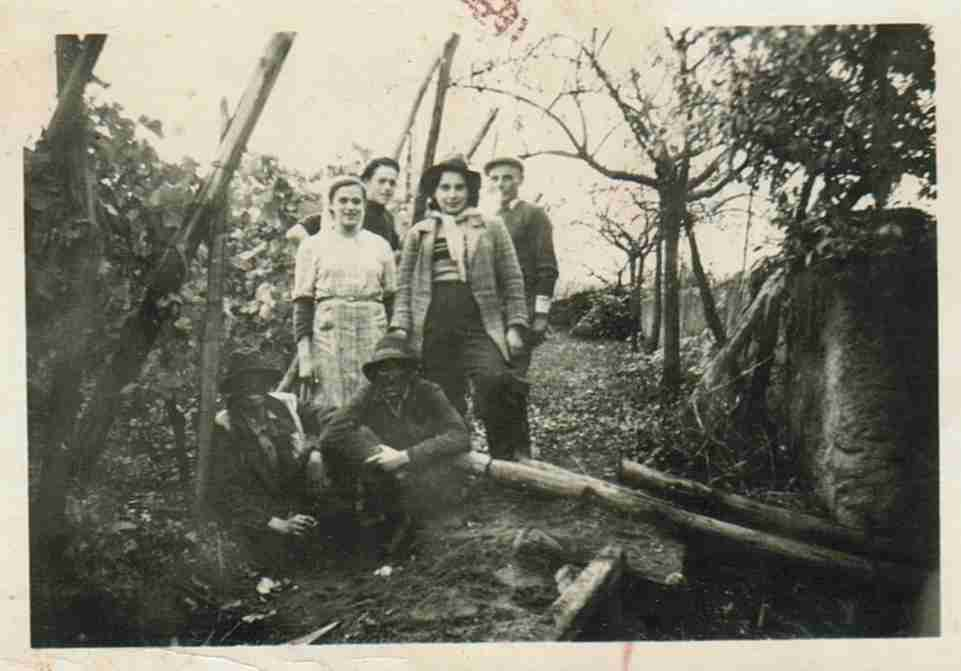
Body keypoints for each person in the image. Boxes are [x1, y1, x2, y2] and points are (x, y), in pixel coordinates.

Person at [390, 153, 531, 461]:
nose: (452, 195)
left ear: (469, 191)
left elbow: (512, 278)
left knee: (494, 380)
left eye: (458, 188)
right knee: (442, 393)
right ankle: (453, 462)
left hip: (480, 322)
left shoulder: (491, 227)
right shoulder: (420, 232)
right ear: (435, 193)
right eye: (445, 188)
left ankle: (505, 461)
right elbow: (404, 286)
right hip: (433, 323)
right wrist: (400, 326)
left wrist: (516, 326)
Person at [318, 332, 471, 548]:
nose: (390, 377)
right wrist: (376, 453)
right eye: (383, 369)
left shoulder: (428, 391)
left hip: (429, 468)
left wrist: (406, 457)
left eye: (396, 368)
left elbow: (460, 435)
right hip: (390, 474)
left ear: (409, 371)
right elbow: (332, 435)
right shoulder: (369, 393)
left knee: (435, 520)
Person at [211, 350, 328, 567]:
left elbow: (329, 419)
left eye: (258, 382)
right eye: (243, 383)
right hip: (262, 510)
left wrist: (315, 452)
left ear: (267, 384)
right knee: (272, 552)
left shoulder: (287, 405)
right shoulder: (225, 425)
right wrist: (276, 523)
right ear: (234, 391)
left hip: (297, 493)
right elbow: (228, 490)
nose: (252, 389)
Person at [293, 176, 397, 408]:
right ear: (330, 205)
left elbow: (391, 299)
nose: (350, 207)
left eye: (356, 202)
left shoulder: (379, 245)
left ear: (364, 205)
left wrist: (392, 348)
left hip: (372, 329)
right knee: (331, 402)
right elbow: (302, 302)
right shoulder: (312, 245)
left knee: (372, 399)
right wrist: (305, 356)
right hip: (329, 332)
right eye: (343, 201)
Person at [484, 156, 559, 459]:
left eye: (508, 178)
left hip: (522, 311)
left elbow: (547, 268)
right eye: (496, 179)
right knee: (490, 383)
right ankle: (499, 454)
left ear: (520, 180)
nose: (502, 184)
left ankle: (521, 452)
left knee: (513, 383)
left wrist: (540, 315)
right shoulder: (488, 219)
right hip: (491, 315)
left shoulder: (533, 216)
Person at [360, 157, 401, 254]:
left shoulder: (388, 217)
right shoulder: (356, 213)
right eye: (381, 181)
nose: (388, 187)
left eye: (392, 183)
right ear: (366, 182)